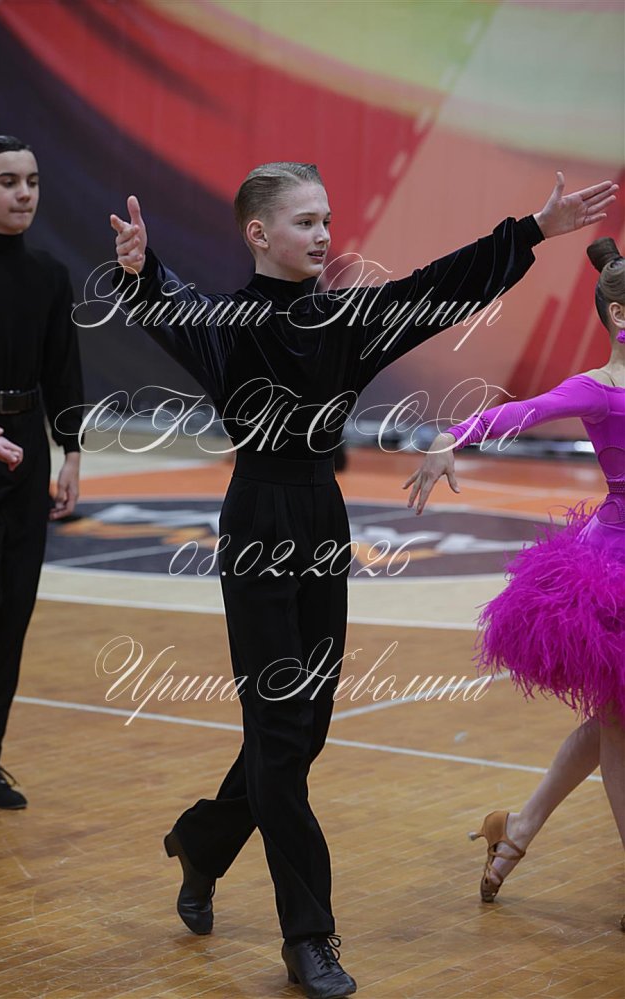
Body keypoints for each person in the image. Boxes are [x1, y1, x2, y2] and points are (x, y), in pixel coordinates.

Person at [110, 164, 616, 998]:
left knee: (301, 731)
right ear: (259, 234)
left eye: (327, 219)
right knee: (280, 734)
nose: (323, 234)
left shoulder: (347, 317)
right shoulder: (228, 325)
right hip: (257, 522)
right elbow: (171, 307)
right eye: (305, 221)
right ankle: (308, 937)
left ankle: (203, 840)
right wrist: (141, 271)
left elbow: (439, 288)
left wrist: (532, 230)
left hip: (322, 521)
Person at [404, 236, 624, 929]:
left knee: (611, 719)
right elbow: (518, 411)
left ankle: (516, 828)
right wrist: (450, 437)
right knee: (618, 723)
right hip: (615, 571)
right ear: (619, 314)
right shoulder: (598, 389)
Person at [0, 135, 84, 810]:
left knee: (12, 610)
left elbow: (63, 367)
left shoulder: (49, 275)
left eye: (32, 180)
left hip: (28, 443)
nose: (25, 193)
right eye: (9, 181)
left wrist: (71, 454)